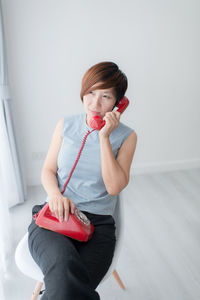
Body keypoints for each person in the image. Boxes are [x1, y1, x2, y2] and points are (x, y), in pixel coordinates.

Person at [28, 61, 137, 300]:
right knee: (66, 273)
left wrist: (104, 137)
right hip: (54, 215)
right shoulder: (65, 125)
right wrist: (56, 196)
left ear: (118, 103)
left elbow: (114, 186)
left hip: (98, 227)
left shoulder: (127, 137)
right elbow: (48, 170)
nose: (95, 104)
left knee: (66, 289)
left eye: (105, 96)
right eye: (90, 93)